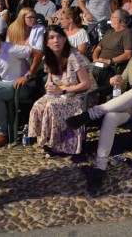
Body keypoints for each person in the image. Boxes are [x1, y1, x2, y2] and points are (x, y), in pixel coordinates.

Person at [65, 27, 132, 193]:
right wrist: (117, 80)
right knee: (110, 117)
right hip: (131, 104)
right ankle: (100, 167)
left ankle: (92, 114)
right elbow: (123, 80)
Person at [28, 25, 91, 156]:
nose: (56, 40)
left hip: (79, 96)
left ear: (64, 39)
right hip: (60, 93)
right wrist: (48, 84)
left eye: (59, 37)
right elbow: (51, 78)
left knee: (51, 106)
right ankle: (47, 141)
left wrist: (62, 91)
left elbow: (86, 84)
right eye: (51, 37)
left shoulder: (74, 56)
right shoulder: (50, 56)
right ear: (47, 42)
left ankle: (58, 144)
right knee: (37, 105)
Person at [0, 25, 43, 148]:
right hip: (5, 82)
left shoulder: (11, 48)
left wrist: (27, 76)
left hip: (24, 85)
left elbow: (38, 54)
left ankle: (4, 133)